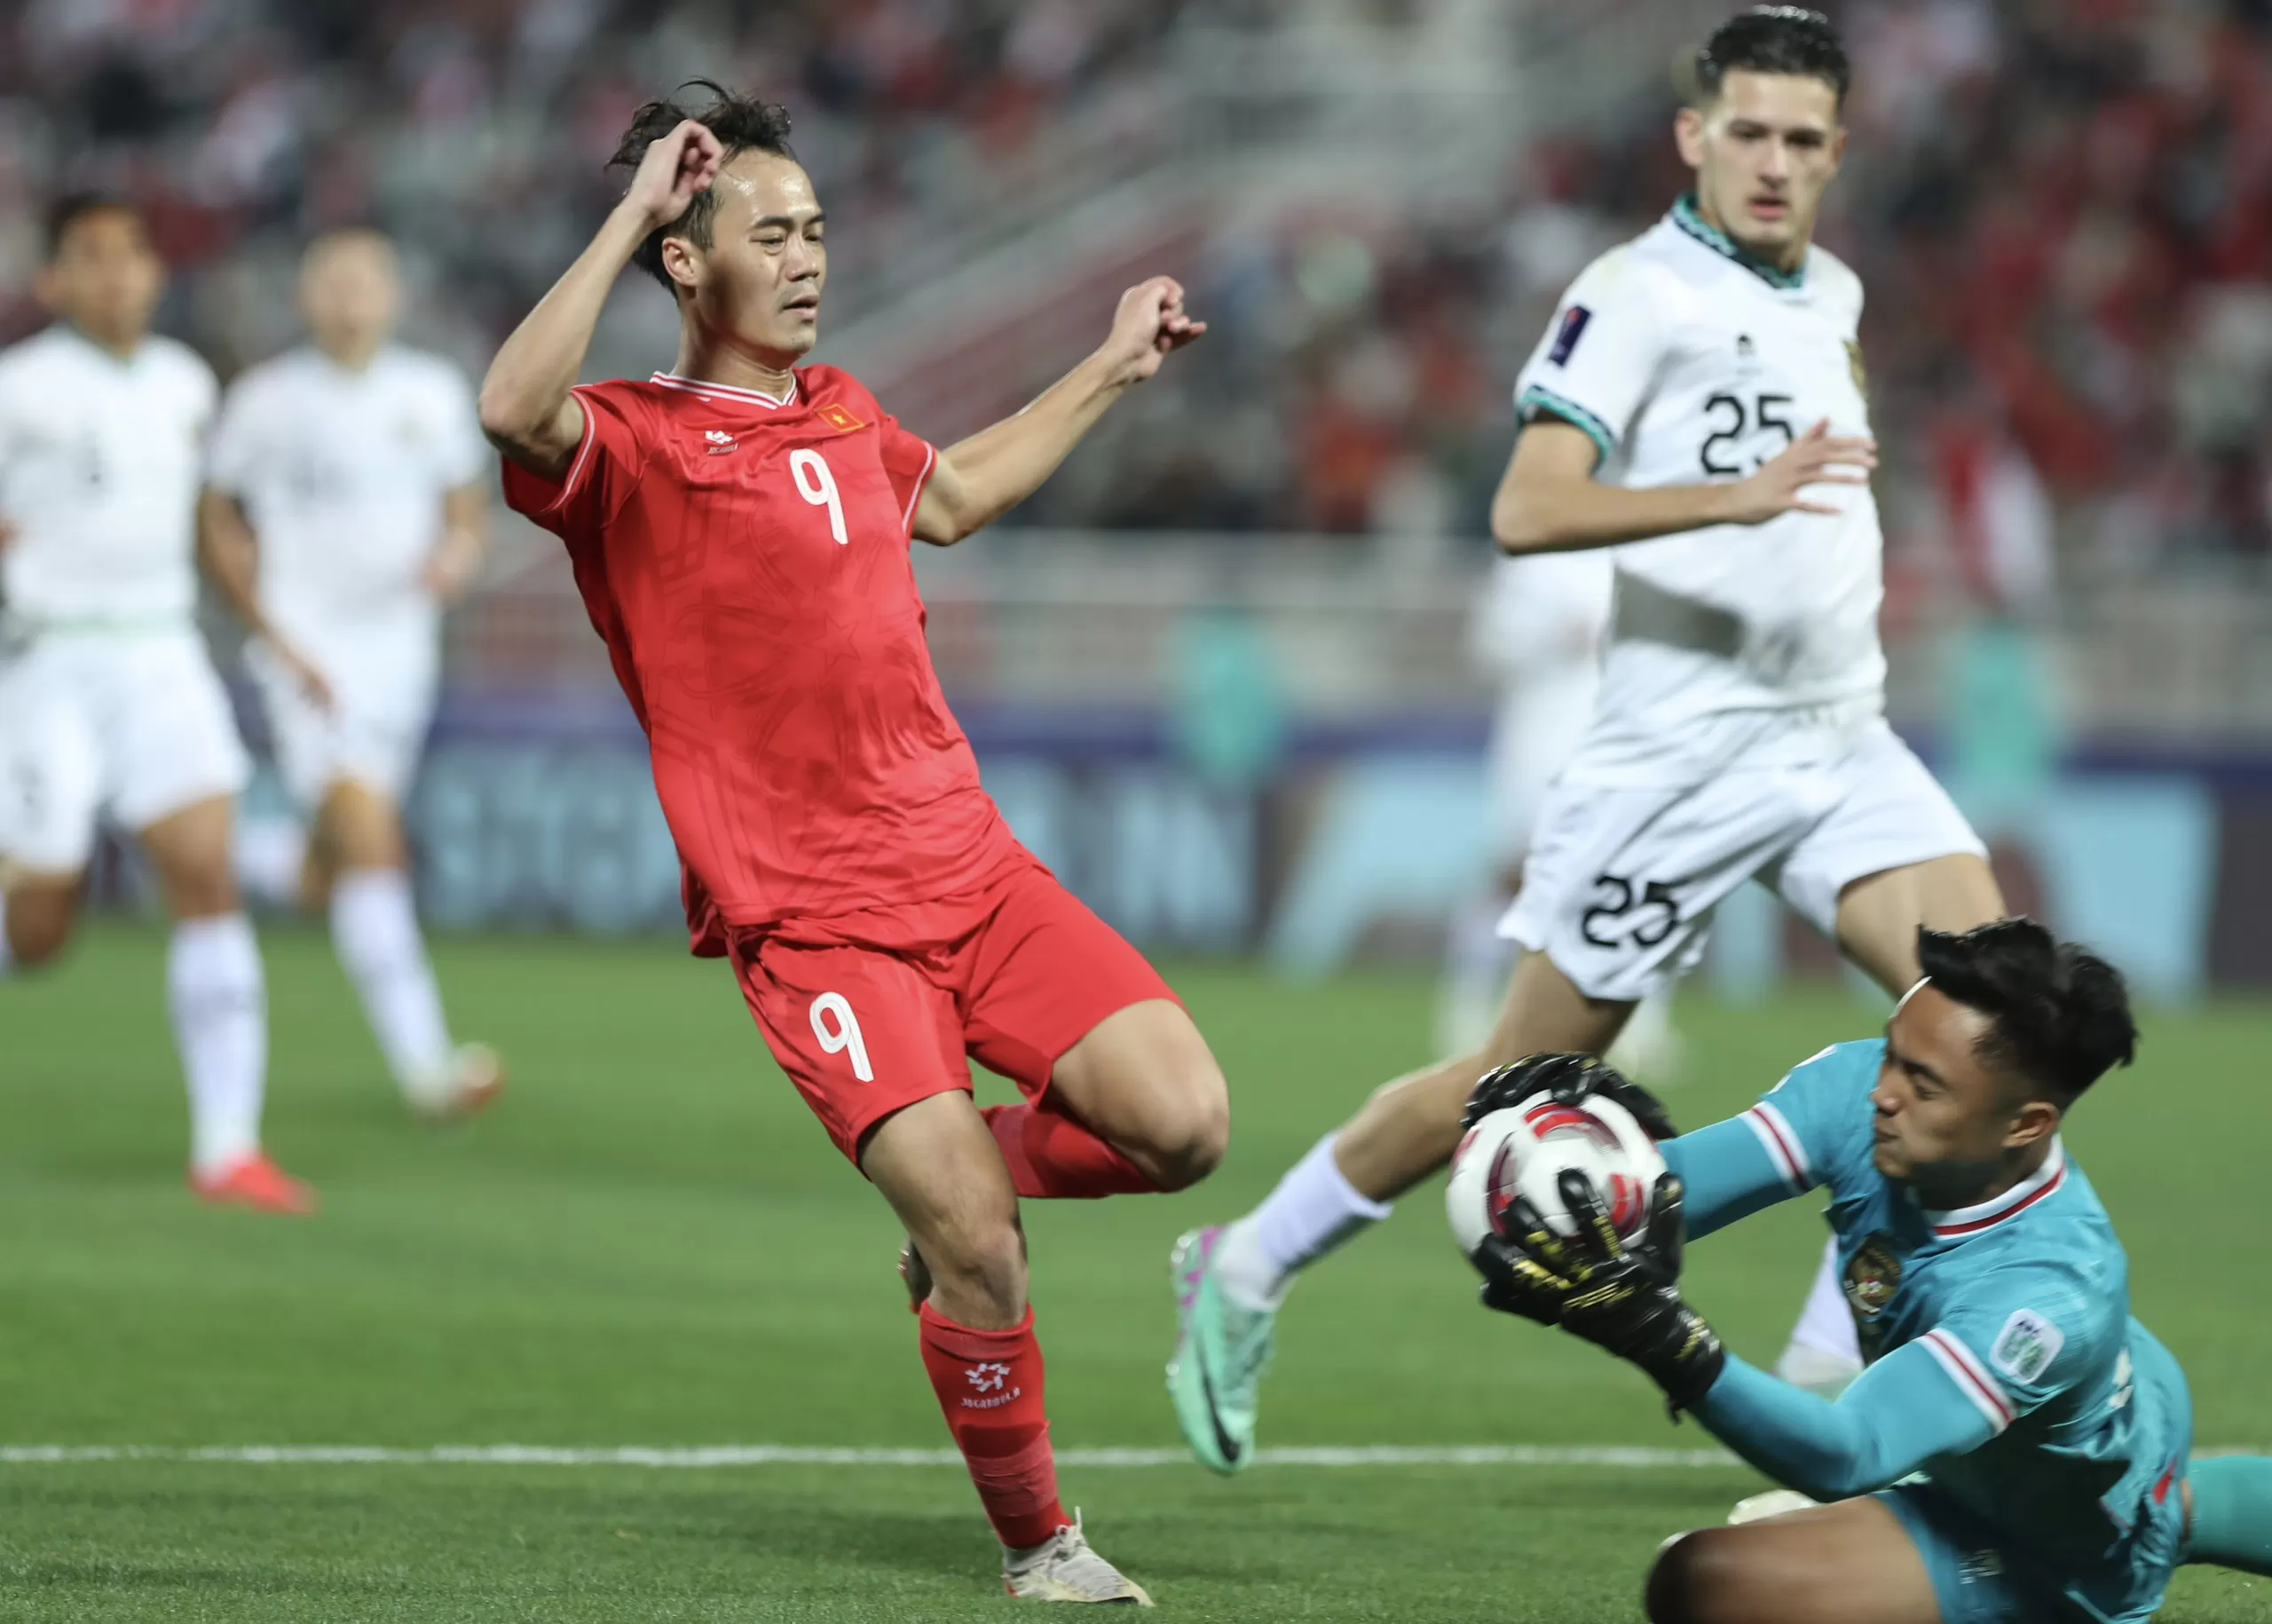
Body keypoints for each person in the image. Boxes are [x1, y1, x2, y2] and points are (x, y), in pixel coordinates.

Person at [1168, 4, 2003, 1473]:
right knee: (1502, 1092)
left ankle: (1828, 1403)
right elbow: (1529, 506)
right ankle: (1241, 1266)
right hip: (1681, 761)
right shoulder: (1634, 295)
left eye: (1802, 138)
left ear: (1838, 152)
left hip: (1839, 741)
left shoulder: (1839, 296)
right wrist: (1726, 502)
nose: (1771, 160)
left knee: (1989, 1029)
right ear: (1694, 135)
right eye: (1745, 129)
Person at [477, 84, 1227, 1604]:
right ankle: (1041, 1545)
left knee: (1185, 1125)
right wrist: (629, 213)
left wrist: (1111, 366)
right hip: (815, 916)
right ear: (689, 266)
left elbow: (953, 497)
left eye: (818, 229)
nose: (811, 258)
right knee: (981, 1247)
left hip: (970, 864)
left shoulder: (841, 410)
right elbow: (510, 409)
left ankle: (967, 1190)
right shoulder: (626, 446)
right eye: (771, 233)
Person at [1464, 919, 2272, 1624]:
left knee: (1705, 1583)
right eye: (1893, 1054)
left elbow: (1851, 1452)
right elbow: (1663, 1198)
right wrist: (1560, 1153)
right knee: (2040, 1466)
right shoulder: (1870, 1090)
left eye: (1923, 1084)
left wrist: (1667, 1343)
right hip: (2045, 1422)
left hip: (2057, 1544)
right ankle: (2176, 1506)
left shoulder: (2049, 1294)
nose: (1884, 1093)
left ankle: (2151, 1530)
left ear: (2026, 1124)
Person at [0, 194, 315, 1214]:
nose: (116, 274)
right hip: (46, 662)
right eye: (90, 258)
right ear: (52, 281)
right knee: (42, 928)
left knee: (206, 871)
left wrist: (273, 630)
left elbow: (206, 524)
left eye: (130, 255)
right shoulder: (20, 389)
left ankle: (228, 1149)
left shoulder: (185, 384)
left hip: (162, 656)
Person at [201, 228, 502, 1119]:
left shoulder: (431, 393)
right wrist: (266, 625)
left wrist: (456, 556)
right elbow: (216, 516)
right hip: (308, 649)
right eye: (330, 279)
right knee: (371, 834)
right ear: (304, 294)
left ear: (393, 294)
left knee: (334, 860)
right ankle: (428, 1071)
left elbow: (465, 515)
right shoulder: (265, 400)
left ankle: (239, 859)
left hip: (402, 652)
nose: (347, 296)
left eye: (364, 280)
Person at [1438, 549, 1677, 1077]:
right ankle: (1470, 1006)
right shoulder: (1536, 555)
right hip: (1539, 740)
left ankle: (1638, 1025)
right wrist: (1554, 638)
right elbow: (1488, 644)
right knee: (1516, 877)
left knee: (1633, 879)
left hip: (1620, 746)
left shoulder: (1644, 551)